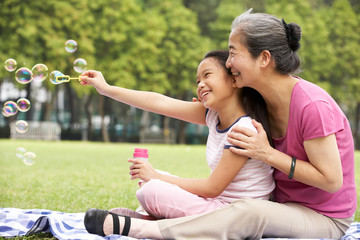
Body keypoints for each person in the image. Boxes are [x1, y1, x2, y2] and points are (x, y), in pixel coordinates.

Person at [82, 9, 357, 239]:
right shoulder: (252, 103)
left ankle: (143, 228)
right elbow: (161, 102)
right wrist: (108, 89)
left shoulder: (312, 106)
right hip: (280, 207)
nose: (229, 63)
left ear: (263, 58)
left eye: (233, 53)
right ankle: (151, 217)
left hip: (324, 218)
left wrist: (268, 154)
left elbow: (331, 181)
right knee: (242, 209)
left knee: (250, 211)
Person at [81, 50, 275, 236]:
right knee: (152, 184)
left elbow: (212, 188)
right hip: (219, 206)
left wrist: (155, 175)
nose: (200, 84)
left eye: (207, 76)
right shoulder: (213, 115)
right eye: (198, 81)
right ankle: (154, 220)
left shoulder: (244, 130)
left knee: (153, 189)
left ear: (234, 79)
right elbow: (158, 102)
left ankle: (147, 223)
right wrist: (106, 88)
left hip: (234, 218)